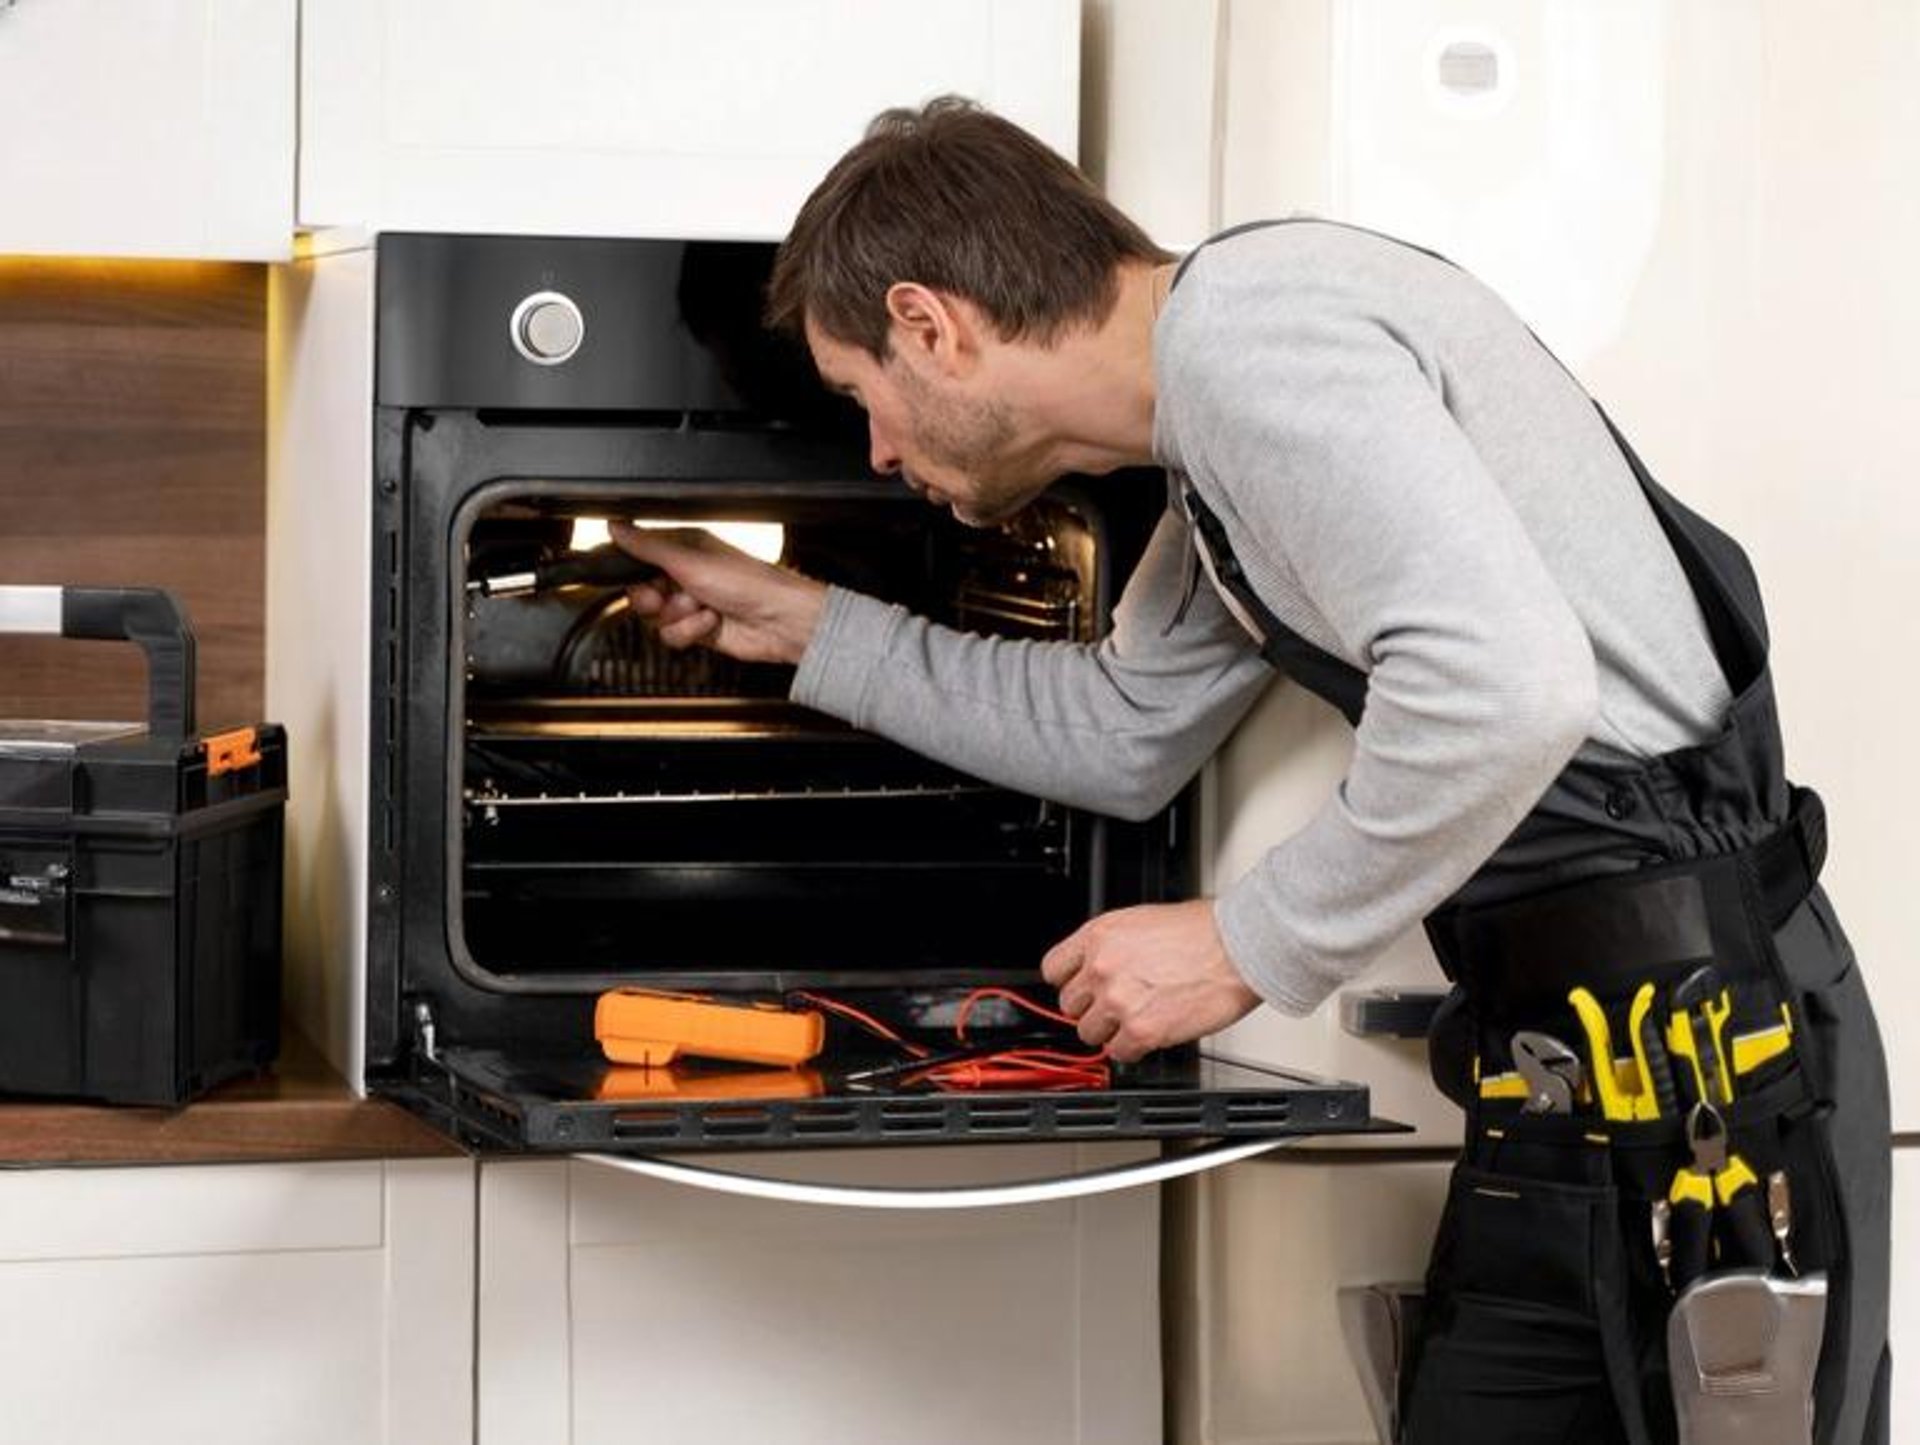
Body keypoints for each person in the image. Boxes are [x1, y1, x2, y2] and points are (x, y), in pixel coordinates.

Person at [611, 98, 1890, 1444]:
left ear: (932, 325)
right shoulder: (1214, 433)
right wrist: (793, 621)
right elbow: (1120, 729)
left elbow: (1512, 688)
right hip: (1566, 1085)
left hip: (1719, 1087)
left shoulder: (1254, 342)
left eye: (865, 398)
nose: (876, 452)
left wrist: (1243, 939)